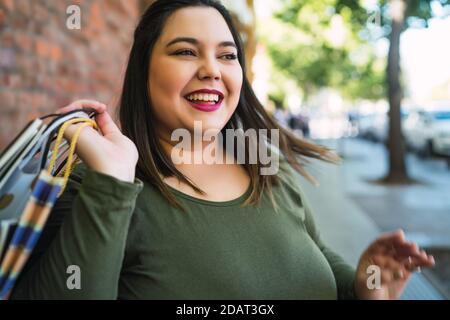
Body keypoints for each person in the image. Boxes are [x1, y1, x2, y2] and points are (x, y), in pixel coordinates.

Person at [11, 0, 434, 300]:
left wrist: (366, 286)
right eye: (185, 51)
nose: (211, 69)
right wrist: (111, 183)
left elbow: (322, 268)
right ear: (142, 71)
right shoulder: (98, 186)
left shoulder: (268, 168)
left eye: (227, 55)